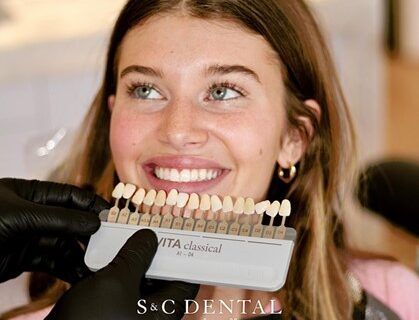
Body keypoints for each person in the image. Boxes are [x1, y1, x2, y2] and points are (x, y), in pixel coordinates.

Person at [2, 0, 418, 319]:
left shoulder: (393, 299)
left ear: (295, 136)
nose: (178, 130)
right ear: (113, 115)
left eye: (223, 92)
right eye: (145, 90)